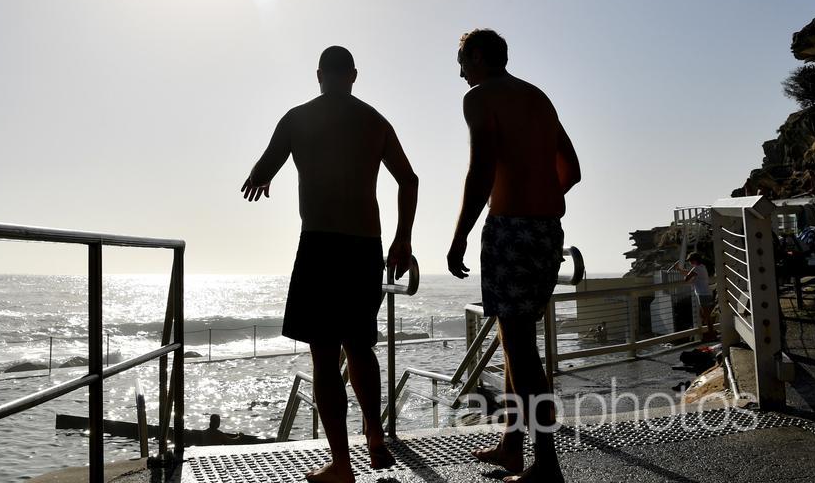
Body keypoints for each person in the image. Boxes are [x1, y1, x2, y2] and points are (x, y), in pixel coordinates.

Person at [241, 45, 417, 483]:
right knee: (360, 347)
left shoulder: (298, 117)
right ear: (353, 75)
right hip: (365, 245)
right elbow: (409, 179)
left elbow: (262, 170)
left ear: (318, 74)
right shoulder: (374, 120)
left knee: (324, 355)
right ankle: (374, 432)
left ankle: (341, 465)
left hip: (319, 244)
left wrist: (260, 177)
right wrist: (402, 239)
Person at [446, 29, 579, 483]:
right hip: (547, 230)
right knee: (515, 339)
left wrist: (460, 234)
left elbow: (481, 168)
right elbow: (572, 170)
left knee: (520, 350)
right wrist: (539, 196)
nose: (460, 71)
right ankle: (510, 445)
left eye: (461, 60)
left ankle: (546, 465)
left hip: (511, 231)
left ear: (478, 57)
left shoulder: (481, 97)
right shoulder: (537, 96)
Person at [675, 253, 715, 340]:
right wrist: (679, 270)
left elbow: (687, 278)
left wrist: (680, 270)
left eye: (690, 261)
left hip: (703, 294)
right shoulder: (702, 267)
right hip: (706, 293)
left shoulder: (696, 268)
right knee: (704, 315)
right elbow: (690, 273)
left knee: (706, 316)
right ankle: (710, 333)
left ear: (694, 261)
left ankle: (711, 335)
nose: (689, 263)